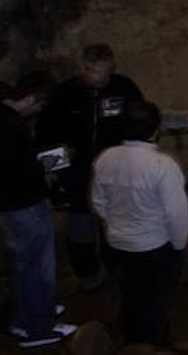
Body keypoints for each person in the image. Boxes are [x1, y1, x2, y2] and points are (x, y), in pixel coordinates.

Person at [0, 72, 78, 348]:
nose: (37, 113)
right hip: (24, 204)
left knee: (22, 265)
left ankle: (24, 317)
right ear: (32, 99)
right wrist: (53, 162)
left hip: (2, 204)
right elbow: (24, 170)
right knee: (38, 268)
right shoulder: (10, 126)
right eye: (39, 107)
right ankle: (39, 328)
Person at [38, 44, 144, 287]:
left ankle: (116, 267)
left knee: (115, 226)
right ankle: (87, 274)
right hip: (77, 177)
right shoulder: (64, 95)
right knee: (80, 229)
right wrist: (55, 177)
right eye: (96, 72)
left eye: (107, 71)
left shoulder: (123, 88)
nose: (102, 78)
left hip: (116, 173)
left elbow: (139, 122)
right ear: (84, 68)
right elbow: (47, 136)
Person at [90, 100, 188, 350]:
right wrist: (179, 245)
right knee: (156, 300)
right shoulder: (163, 166)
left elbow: (98, 202)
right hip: (154, 245)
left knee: (131, 294)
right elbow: (176, 214)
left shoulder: (105, 159)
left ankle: (132, 339)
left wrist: (116, 227)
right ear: (156, 130)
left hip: (118, 243)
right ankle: (155, 345)